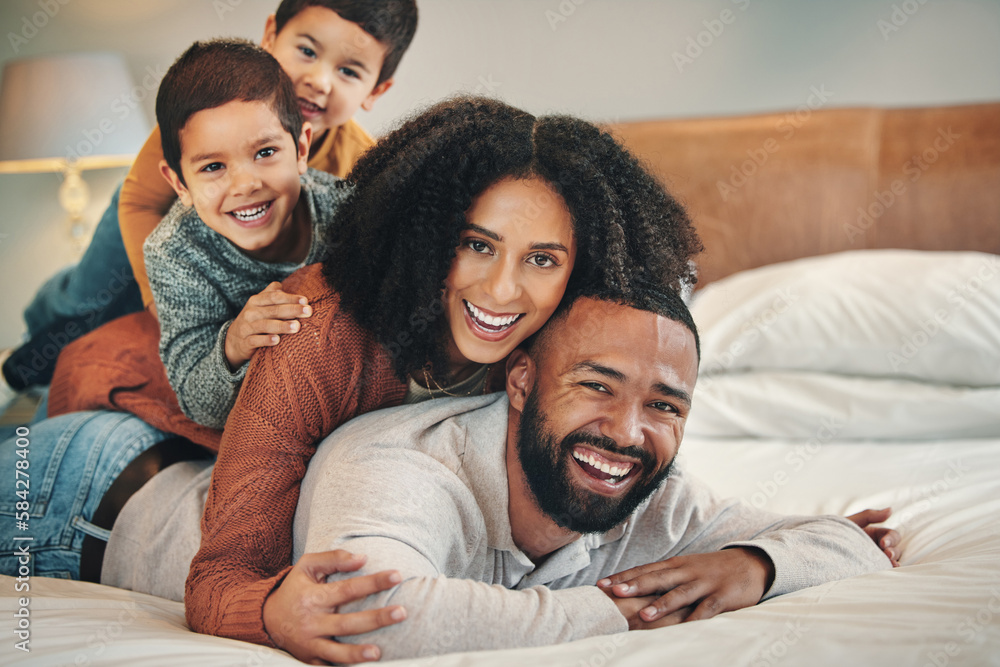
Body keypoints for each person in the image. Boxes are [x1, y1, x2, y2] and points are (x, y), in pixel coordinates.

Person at [283, 283, 897, 660]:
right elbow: (371, 622)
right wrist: (618, 613)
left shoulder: (662, 501)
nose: (629, 434)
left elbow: (851, 547)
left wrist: (753, 565)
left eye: (664, 405)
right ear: (521, 379)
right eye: (597, 386)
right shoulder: (404, 464)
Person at [0, 0, 418, 409]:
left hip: (230, 235)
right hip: (150, 216)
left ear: (376, 90)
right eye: (307, 51)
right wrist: (156, 305)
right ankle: (43, 319)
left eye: (347, 71)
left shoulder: (360, 164)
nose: (319, 80)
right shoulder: (200, 109)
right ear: (271, 35)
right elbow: (141, 201)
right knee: (88, 299)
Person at [147, 37, 353, 429]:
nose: (245, 184)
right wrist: (234, 344)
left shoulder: (348, 212)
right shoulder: (175, 253)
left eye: (264, 153)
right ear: (179, 185)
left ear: (302, 149)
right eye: (212, 167)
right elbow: (197, 402)